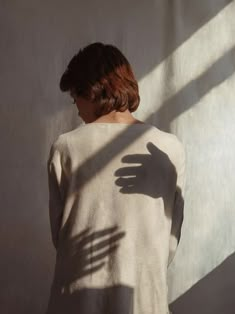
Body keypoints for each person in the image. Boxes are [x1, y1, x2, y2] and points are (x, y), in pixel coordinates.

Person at [46, 42, 185, 314]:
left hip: (77, 300)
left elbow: (60, 236)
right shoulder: (171, 147)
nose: (77, 109)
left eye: (76, 98)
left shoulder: (66, 147)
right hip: (145, 298)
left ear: (93, 90)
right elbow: (171, 236)